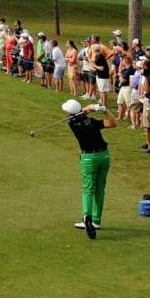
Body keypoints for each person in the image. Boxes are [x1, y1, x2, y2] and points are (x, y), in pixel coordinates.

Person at [62, 100, 116, 240]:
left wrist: (92, 108)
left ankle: (87, 217)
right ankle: (96, 221)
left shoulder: (72, 122)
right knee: (100, 189)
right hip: (104, 156)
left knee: (88, 189)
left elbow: (80, 113)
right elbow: (112, 123)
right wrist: (103, 110)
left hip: (89, 159)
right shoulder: (91, 122)